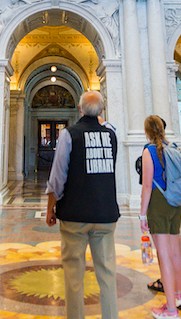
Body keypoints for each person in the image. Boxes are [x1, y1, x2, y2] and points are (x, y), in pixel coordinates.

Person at [45, 91, 120, 319]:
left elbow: (58, 177)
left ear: (79, 110)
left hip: (75, 215)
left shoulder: (69, 134)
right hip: (105, 213)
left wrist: (50, 206)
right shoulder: (112, 135)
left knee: (73, 276)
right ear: (102, 111)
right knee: (107, 274)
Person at [140, 115, 181, 319]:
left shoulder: (149, 151)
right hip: (175, 201)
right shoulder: (173, 148)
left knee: (164, 256)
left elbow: (147, 185)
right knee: (175, 253)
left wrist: (142, 214)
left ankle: (171, 309)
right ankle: (178, 295)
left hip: (159, 201)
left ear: (147, 131)